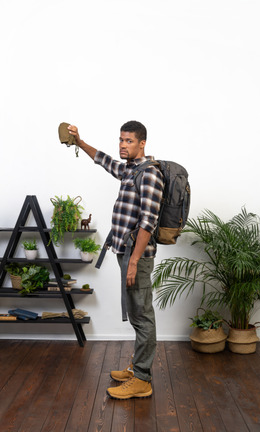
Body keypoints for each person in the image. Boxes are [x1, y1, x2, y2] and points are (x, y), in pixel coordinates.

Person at [67, 121, 164, 399]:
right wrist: (80, 141)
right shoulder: (130, 168)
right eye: (121, 140)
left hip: (138, 257)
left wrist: (134, 261)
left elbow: (148, 222)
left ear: (142, 143)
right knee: (136, 312)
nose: (122, 145)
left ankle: (142, 380)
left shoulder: (150, 175)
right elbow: (104, 161)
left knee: (143, 315)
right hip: (125, 252)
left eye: (129, 141)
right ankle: (138, 369)